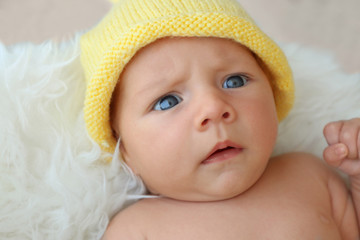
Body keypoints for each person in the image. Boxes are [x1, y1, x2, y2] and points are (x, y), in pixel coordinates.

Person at [80, 0, 360, 238]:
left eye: (234, 81)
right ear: (125, 149)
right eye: (168, 101)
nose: (213, 108)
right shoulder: (137, 230)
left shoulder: (310, 177)